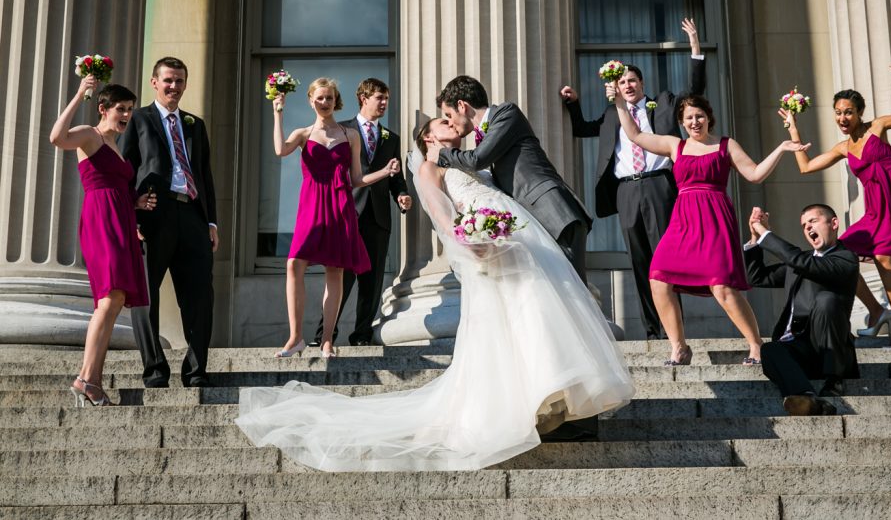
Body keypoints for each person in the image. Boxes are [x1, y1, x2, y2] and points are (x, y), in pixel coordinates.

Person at [234, 118, 633, 471]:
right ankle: (511, 413)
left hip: (519, 247)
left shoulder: (470, 161)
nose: (452, 122)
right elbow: (445, 219)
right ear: (427, 137)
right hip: (490, 252)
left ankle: (547, 408)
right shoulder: (428, 168)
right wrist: (472, 241)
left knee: (536, 324)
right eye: (443, 120)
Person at [615, 91, 809, 366]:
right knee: (658, 279)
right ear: (682, 122)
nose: (695, 122)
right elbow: (634, 134)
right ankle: (679, 347)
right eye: (689, 118)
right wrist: (618, 101)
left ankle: (756, 345)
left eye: (700, 116)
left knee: (722, 288)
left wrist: (780, 149)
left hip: (715, 218)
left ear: (709, 118)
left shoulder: (726, 145)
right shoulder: (675, 146)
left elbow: (754, 175)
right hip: (682, 221)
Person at [780, 44, 891, 348]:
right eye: (838, 113)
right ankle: (878, 312)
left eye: (848, 112)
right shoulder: (843, 148)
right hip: (874, 209)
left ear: (859, 113)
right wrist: (793, 131)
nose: (842, 118)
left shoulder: (877, 127)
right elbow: (806, 166)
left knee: (882, 257)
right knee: (841, 256)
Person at [559, 18, 707, 338]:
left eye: (633, 80)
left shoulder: (664, 103)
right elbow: (584, 129)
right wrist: (572, 104)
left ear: (642, 83)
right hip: (626, 191)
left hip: (659, 185)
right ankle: (654, 330)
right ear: (617, 87)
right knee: (640, 261)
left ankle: (674, 331)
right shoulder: (613, 115)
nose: (628, 85)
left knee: (665, 259)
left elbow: (694, 92)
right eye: (623, 82)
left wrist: (695, 47)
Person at [271, 78, 400, 358]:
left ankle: (328, 340)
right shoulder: (303, 133)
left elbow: (356, 178)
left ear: (336, 100)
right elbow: (280, 150)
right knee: (294, 263)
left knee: (335, 270)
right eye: (320, 98)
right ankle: (295, 337)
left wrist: (385, 172)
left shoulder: (349, 135)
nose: (325, 102)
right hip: (311, 205)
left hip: (341, 205)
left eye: (329, 98)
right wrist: (277, 112)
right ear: (310, 100)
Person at [50, 78, 156, 405]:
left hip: (121, 220)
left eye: (129, 110)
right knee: (109, 299)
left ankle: (91, 381)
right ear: (103, 109)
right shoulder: (89, 135)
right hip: (100, 220)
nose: (126, 115)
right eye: (120, 109)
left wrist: (135, 203)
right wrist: (80, 93)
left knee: (116, 299)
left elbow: (117, 184)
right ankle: (85, 378)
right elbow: (56, 138)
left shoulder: (115, 145)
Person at [425, 75, 592, 282]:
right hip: (536, 222)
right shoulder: (485, 135)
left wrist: (441, 154)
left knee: (573, 292)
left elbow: (478, 159)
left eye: (449, 115)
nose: (450, 123)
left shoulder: (507, 113)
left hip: (554, 212)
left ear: (462, 106)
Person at [118, 57, 218, 388]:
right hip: (152, 216)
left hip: (192, 215)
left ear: (185, 84)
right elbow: (123, 169)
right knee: (146, 296)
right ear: (154, 83)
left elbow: (205, 176)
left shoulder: (195, 124)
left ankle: (196, 370)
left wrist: (212, 223)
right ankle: (155, 370)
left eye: (179, 81)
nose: (173, 86)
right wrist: (131, 210)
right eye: (168, 80)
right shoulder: (139, 119)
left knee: (201, 295)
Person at [310, 78, 412, 348]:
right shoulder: (340, 129)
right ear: (363, 98)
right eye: (379, 97)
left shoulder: (392, 138)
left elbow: (395, 177)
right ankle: (323, 336)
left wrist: (401, 194)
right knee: (340, 278)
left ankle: (362, 336)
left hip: (378, 219)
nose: (384, 103)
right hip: (346, 214)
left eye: (386, 98)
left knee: (372, 280)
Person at [744, 205, 860, 416]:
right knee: (770, 349)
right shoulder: (800, 261)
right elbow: (757, 277)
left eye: (813, 221)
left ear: (833, 224)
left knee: (827, 300)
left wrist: (765, 234)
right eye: (804, 225)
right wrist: (754, 238)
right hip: (799, 350)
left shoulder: (846, 258)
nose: (808, 228)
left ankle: (834, 381)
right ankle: (806, 397)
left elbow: (801, 261)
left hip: (829, 350)